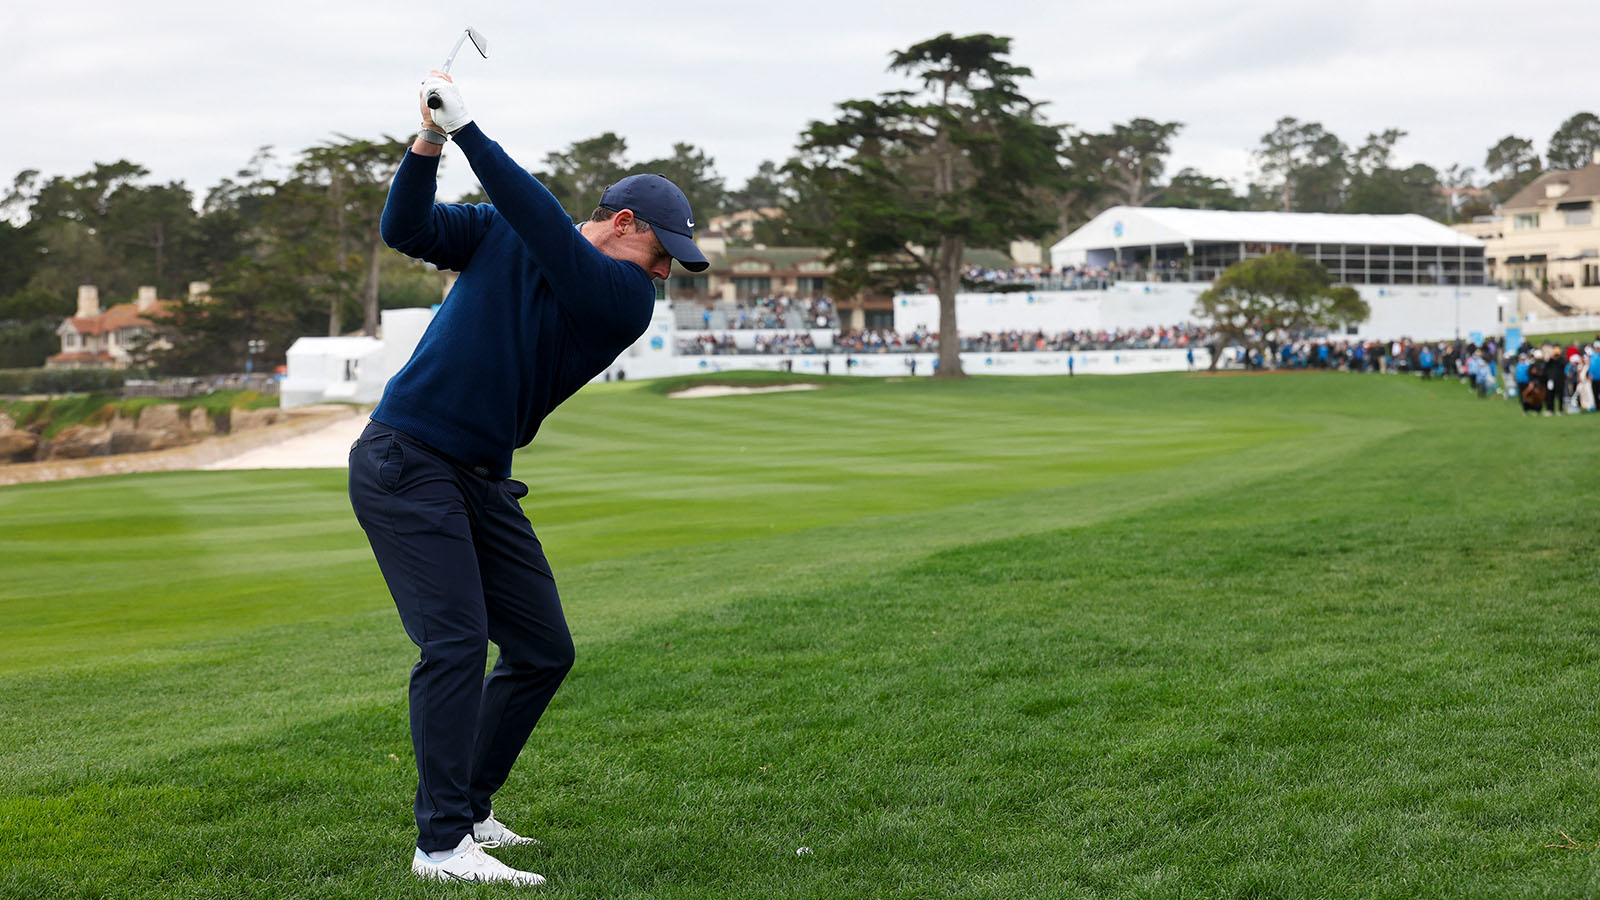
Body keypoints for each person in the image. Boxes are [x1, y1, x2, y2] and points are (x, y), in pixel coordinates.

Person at [348, 71, 708, 887]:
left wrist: (472, 132)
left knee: (543, 650)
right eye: (662, 254)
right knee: (453, 643)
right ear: (624, 223)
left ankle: (469, 807)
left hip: (478, 478)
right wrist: (430, 142)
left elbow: (544, 226)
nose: (664, 274)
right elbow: (406, 227)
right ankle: (442, 846)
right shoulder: (504, 232)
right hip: (407, 459)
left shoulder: (624, 298)